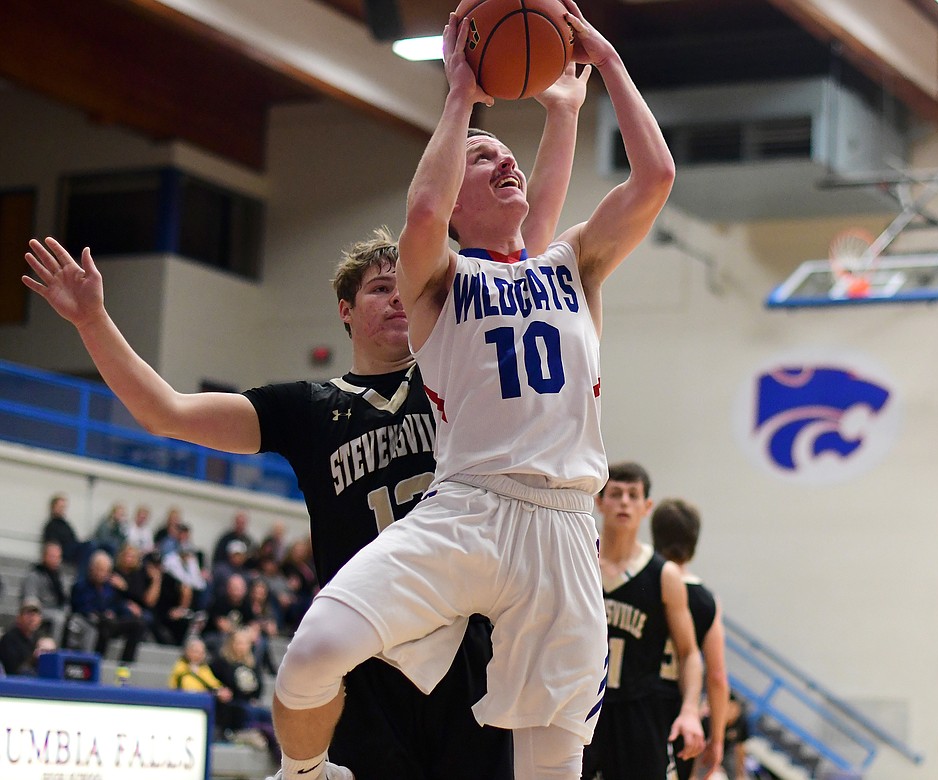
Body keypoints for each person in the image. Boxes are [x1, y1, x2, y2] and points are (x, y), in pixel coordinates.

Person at [21, 58, 590, 780]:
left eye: (402, 288)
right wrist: (95, 321)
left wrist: (563, 114)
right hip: (367, 654)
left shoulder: (454, 367)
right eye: (378, 289)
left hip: (467, 642)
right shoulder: (304, 407)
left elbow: (529, 244)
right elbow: (162, 412)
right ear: (345, 311)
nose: (395, 301)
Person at [255, 2, 678, 776]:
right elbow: (421, 207)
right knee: (311, 657)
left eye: (508, 156)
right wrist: (460, 96)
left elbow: (656, 177)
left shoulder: (571, 261)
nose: (506, 162)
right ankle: (306, 774)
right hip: (469, 508)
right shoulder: (438, 282)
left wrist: (607, 64)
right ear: (456, 198)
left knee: (552, 768)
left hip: (561, 526)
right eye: (485, 159)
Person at [584, 463, 705, 780]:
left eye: (633, 495)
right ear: (599, 502)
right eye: (616, 493)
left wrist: (691, 710)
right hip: (582, 706)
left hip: (641, 711)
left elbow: (690, 653)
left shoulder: (663, 575)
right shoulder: (580, 562)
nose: (624, 502)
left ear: (646, 507)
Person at [652, 498, 731, 780]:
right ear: (694, 541)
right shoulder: (706, 600)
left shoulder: (641, 586)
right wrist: (717, 738)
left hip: (634, 706)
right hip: (680, 717)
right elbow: (718, 676)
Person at [69, 549, 147, 663]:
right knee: (105, 624)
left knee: (138, 624)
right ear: (92, 568)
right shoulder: (81, 586)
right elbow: (81, 607)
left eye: (105, 571)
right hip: (93, 621)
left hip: (112, 621)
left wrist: (123, 608)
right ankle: (98, 662)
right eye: (100, 570)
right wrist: (102, 613)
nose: (102, 574)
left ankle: (126, 663)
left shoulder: (109, 587)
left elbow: (116, 604)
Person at [20, 540, 70, 646]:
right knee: (59, 618)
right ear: (44, 556)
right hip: (40, 611)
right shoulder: (34, 575)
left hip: (58, 610)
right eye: (52, 556)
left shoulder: (60, 577)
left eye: (57, 557)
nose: (55, 560)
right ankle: (53, 649)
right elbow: (30, 600)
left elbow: (65, 599)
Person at [0, 598, 47, 676]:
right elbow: (13, 670)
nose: (32, 618)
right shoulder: (10, 638)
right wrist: (34, 658)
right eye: (28, 614)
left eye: (35, 614)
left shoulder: (41, 637)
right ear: (19, 617)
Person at [41, 493, 83, 567]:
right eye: (60, 506)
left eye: (63, 507)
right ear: (53, 507)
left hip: (72, 549)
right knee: (90, 546)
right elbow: (51, 544)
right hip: (64, 551)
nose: (62, 509)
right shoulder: (50, 526)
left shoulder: (66, 524)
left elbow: (74, 538)